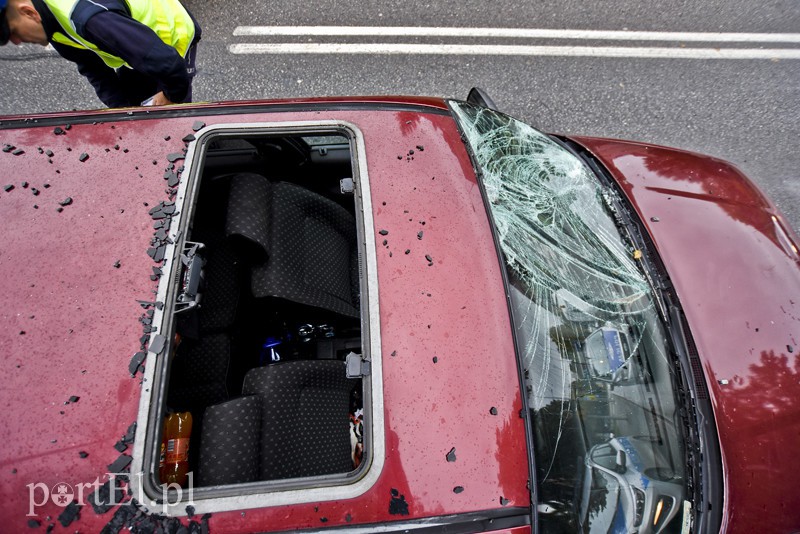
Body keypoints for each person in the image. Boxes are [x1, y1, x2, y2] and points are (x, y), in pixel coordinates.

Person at [0, 0, 201, 107]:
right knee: (136, 112)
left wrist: (170, 96)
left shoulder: (89, 19)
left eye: (14, 33)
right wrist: (121, 111)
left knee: (175, 125)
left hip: (170, 37)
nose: (17, 42)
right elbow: (92, 67)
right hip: (132, 43)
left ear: (29, 13)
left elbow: (169, 65)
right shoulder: (50, 22)